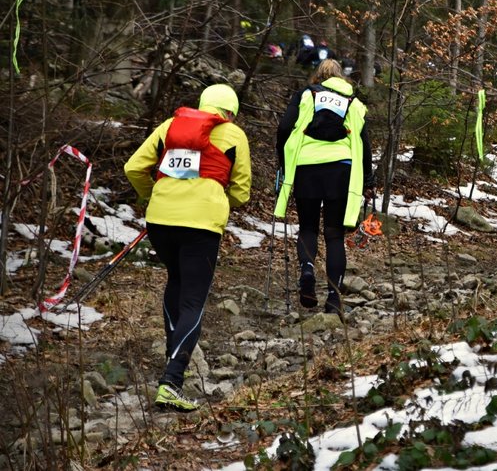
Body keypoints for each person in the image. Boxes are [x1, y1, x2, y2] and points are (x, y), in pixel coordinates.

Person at [123, 84, 251, 412]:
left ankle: (172, 362)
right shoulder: (234, 134)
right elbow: (242, 191)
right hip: (201, 226)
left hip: (160, 221)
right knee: (193, 299)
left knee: (176, 283)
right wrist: (220, 199)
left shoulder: (170, 126)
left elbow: (133, 167)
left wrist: (151, 194)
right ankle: (171, 381)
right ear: (230, 112)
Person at [275, 58, 374, 314]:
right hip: (340, 170)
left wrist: (284, 163)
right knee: (333, 235)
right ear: (341, 78)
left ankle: (307, 272)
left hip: (306, 168)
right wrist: (369, 180)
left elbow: (285, 127)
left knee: (308, 227)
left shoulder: (306, 95)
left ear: (317, 77)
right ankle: (333, 297)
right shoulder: (354, 102)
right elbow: (364, 143)